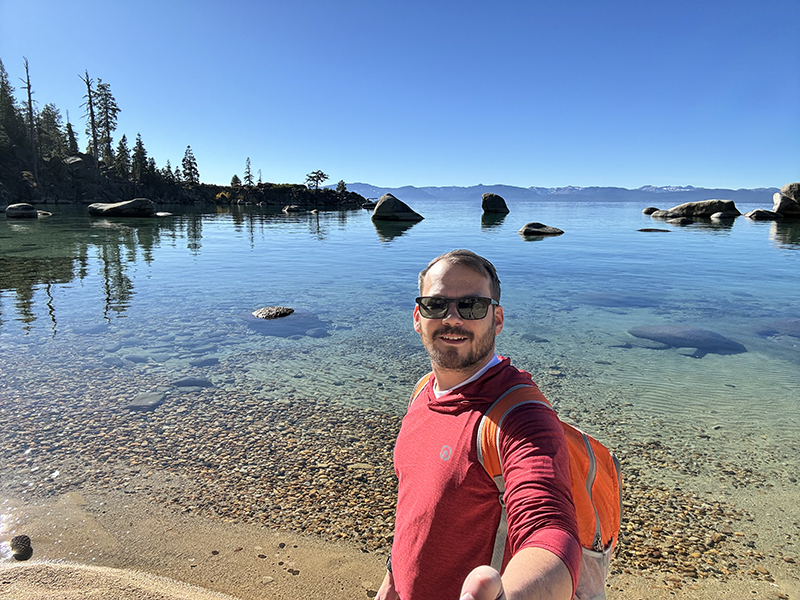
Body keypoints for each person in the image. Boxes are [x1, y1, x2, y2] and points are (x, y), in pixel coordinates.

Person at [377, 250, 581, 600]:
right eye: (436, 305)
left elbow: (549, 530)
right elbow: (416, 515)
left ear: (497, 319)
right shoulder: (424, 391)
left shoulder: (521, 417)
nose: (452, 318)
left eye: (472, 306)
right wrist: (391, 583)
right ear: (417, 316)